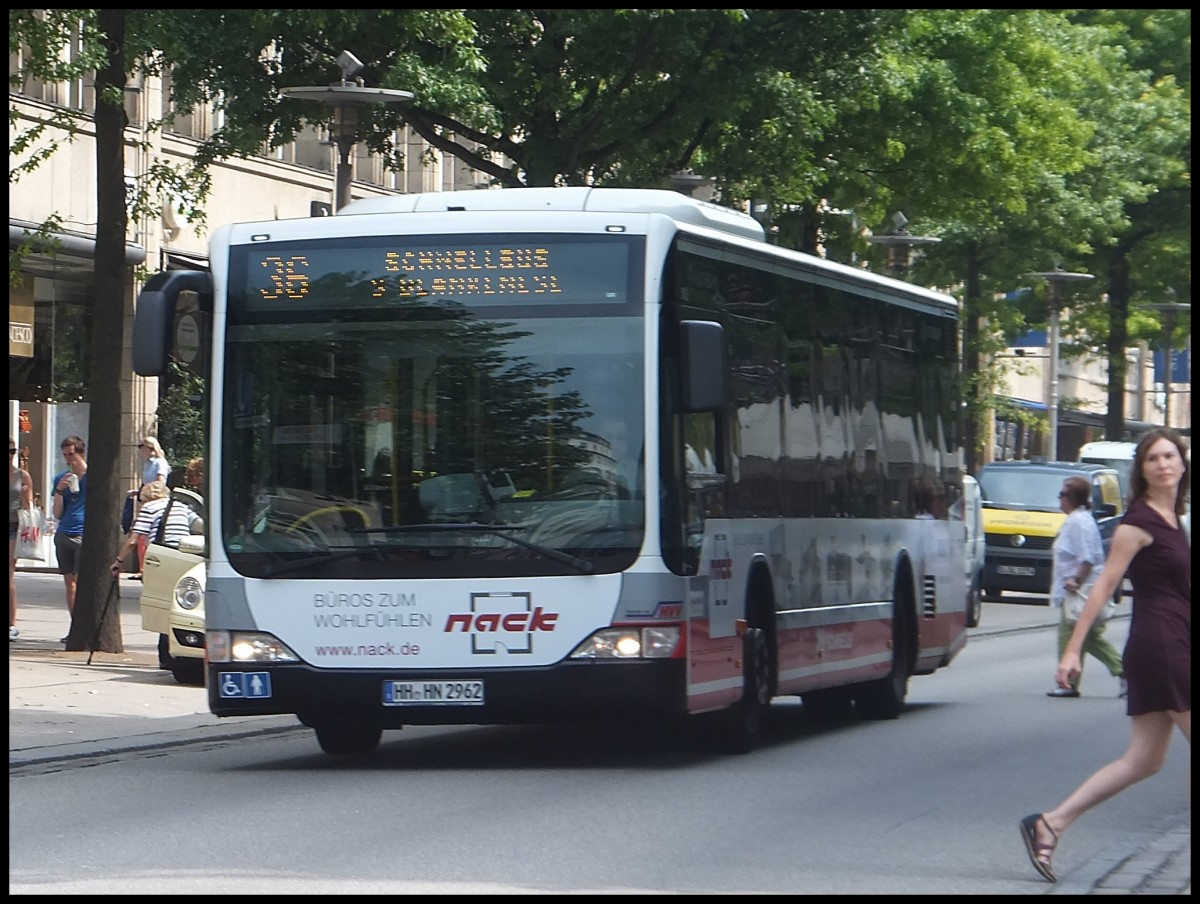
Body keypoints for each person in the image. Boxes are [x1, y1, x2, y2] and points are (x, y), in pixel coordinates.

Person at [1021, 427, 1191, 883]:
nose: (1163, 465)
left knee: (1144, 760)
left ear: (1182, 463)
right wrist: (1073, 650)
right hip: (1162, 644)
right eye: (1153, 458)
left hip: (1175, 638)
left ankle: (1051, 823)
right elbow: (1104, 586)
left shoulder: (1173, 519)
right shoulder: (1138, 522)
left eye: (1170, 456)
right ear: (1142, 470)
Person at [1045, 475, 1125, 699]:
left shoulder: (1078, 522)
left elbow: (1087, 557)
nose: (1059, 499)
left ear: (1072, 497)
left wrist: (1076, 580)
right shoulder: (1079, 520)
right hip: (1079, 590)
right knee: (1085, 636)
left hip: (1079, 592)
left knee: (1070, 636)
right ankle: (1071, 681)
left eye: (1062, 494)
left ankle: (1070, 681)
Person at [110, 481, 204, 574]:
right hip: (184, 555)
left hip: (161, 555)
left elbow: (132, 541)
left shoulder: (149, 507)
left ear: (146, 497)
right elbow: (200, 525)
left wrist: (119, 561)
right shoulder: (181, 506)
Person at [51, 435, 88, 624]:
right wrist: (59, 490)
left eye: (71, 454)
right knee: (70, 584)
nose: (68, 459)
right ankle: (75, 626)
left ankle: (84, 624)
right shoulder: (61, 478)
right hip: (64, 532)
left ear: (81, 453)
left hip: (83, 533)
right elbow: (57, 513)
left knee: (82, 583)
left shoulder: (92, 477)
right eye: (65, 455)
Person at [128, 436, 171, 578]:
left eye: (141, 446)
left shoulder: (160, 463)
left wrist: (150, 494)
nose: (140, 450)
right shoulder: (148, 464)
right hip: (145, 500)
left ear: (149, 447)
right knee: (141, 534)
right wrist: (138, 492)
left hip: (155, 500)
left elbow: (160, 484)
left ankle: (146, 568)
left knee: (148, 534)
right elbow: (146, 483)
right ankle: (142, 568)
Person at [9, 438, 34, 640]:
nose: (10, 455)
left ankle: (12, 623)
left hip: (14, 526)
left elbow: (29, 506)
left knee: (8, 574)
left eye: (12, 451)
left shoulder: (22, 475)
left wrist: (26, 496)